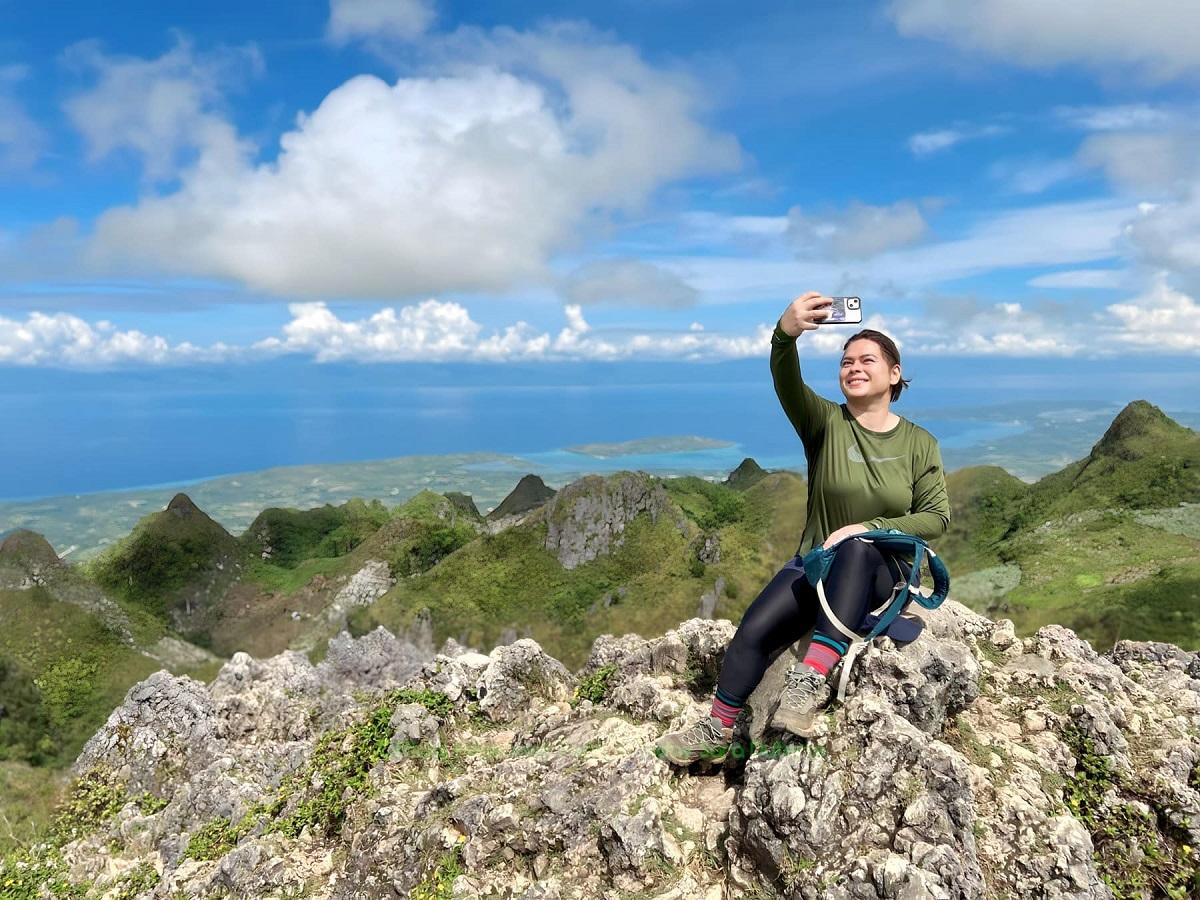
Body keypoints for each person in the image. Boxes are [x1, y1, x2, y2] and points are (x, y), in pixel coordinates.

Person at [655, 291, 951, 766]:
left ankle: (807, 684)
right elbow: (785, 379)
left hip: (877, 575)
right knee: (753, 630)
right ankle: (719, 728)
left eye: (867, 360)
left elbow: (936, 517)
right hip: (816, 564)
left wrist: (867, 527)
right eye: (845, 361)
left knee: (857, 547)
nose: (853, 367)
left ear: (894, 374)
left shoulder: (919, 443)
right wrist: (785, 332)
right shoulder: (825, 424)